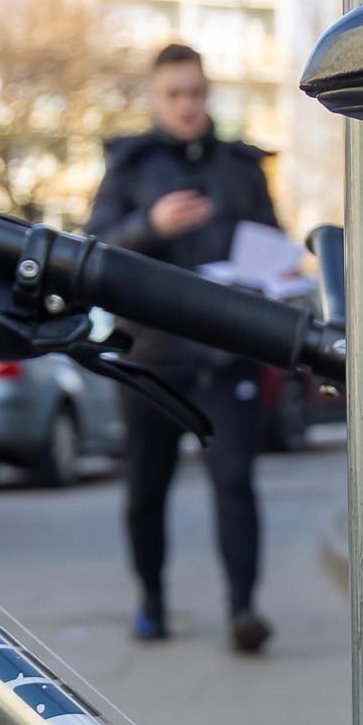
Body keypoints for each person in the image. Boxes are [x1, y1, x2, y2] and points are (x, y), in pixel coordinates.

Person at [86, 43, 281, 652]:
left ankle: (244, 610)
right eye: (174, 94)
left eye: (195, 93)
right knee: (146, 489)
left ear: (207, 94)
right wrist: (151, 226)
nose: (186, 105)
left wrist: (270, 276)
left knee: (235, 483)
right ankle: (151, 601)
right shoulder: (129, 167)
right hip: (151, 359)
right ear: (156, 98)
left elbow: (273, 246)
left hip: (226, 358)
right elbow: (94, 252)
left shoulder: (242, 168)